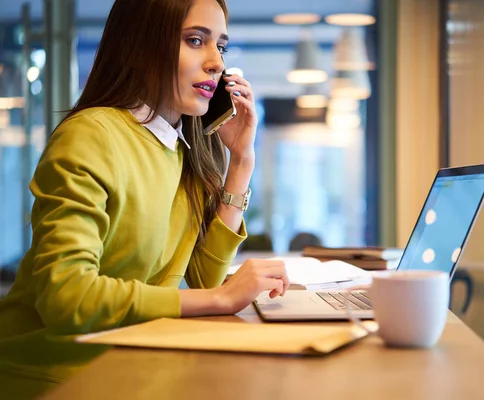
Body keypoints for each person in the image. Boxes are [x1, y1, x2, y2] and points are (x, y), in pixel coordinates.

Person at [0, 0, 289, 397]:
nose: (215, 63)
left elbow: (203, 279)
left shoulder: (181, 147)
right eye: (194, 40)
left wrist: (240, 160)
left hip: (132, 365)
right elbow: (67, 298)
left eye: (219, 46)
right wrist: (221, 296)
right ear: (141, 44)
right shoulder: (92, 135)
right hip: (57, 379)